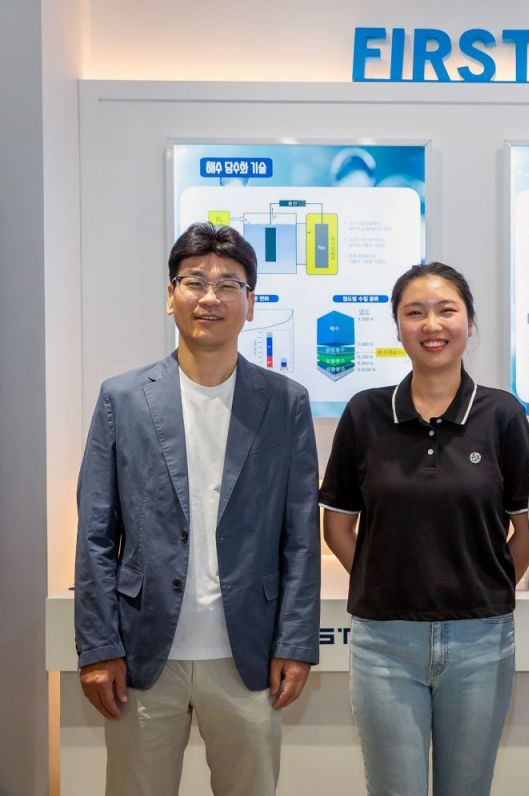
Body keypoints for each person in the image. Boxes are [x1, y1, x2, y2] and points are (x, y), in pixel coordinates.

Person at [74, 223, 321, 796]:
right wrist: (99, 647)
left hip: (248, 653)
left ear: (250, 304)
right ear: (171, 295)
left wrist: (295, 642)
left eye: (229, 284)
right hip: (141, 653)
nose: (211, 297)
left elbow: (301, 536)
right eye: (195, 281)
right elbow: (95, 533)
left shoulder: (285, 403)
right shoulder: (122, 398)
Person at [319, 262, 529, 796]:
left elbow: (528, 527)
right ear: (397, 328)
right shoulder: (365, 413)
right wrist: (382, 578)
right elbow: (337, 525)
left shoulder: (502, 414)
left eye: (446, 311)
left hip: (481, 639)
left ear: (469, 322)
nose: (431, 325)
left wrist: (491, 583)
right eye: (415, 313)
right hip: (383, 642)